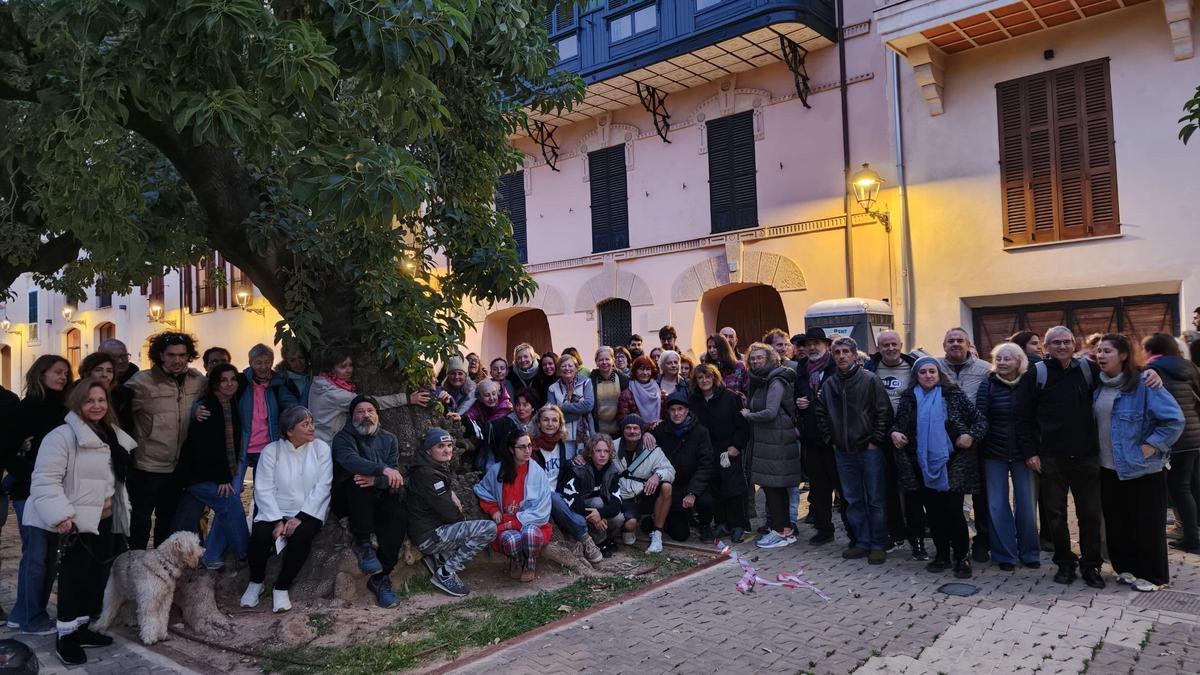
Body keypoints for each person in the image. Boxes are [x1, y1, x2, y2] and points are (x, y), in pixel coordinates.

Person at [26, 378, 132, 664]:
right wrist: (61, 516)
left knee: (96, 578)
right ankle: (66, 635)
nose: (96, 406)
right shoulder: (61, 436)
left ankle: (82, 628)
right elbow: (46, 481)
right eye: (90, 400)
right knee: (74, 579)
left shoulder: (108, 434)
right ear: (77, 403)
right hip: (76, 522)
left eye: (101, 400)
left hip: (106, 518)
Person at [1016, 326, 1110, 588]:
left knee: (1090, 514)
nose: (1061, 346)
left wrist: (1150, 374)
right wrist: (1030, 453)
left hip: (1086, 455)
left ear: (1073, 344)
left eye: (1066, 342)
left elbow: (1119, 380)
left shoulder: (1088, 369)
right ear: (1046, 347)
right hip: (1050, 457)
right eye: (1055, 342)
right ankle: (1065, 563)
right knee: (1055, 515)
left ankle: (1091, 566)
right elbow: (1022, 417)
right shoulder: (1037, 373)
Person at [1094, 334, 1183, 591]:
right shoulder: (1099, 385)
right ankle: (1126, 568)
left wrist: (1149, 446)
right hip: (1108, 467)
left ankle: (1153, 577)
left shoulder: (1145, 383)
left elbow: (1173, 420)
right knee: (1118, 523)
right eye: (1098, 350)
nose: (1100, 355)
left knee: (1146, 525)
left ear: (1123, 355)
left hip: (1142, 468)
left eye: (1107, 351)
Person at [892, 357, 987, 578]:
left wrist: (970, 435)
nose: (928, 376)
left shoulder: (952, 394)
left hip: (951, 464)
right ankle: (942, 555)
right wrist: (894, 432)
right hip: (920, 465)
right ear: (916, 376)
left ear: (939, 374)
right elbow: (898, 424)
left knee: (954, 513)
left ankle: (962, 556)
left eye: (932, 372)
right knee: (934, 515)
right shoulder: (909, 398)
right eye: (923, 372)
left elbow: (980, 421)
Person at [241, 406, 332, 613]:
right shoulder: (271, 451)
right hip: (274, 508)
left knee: (302, 537)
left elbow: (323, 486)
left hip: (309, 510)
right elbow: (263, 488)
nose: (311, 428)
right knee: (260, 536)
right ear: (290, 431)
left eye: (312, 423)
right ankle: (256, 581)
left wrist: (300, 517)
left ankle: (282, 586)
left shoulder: (320, 449)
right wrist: (276, 520)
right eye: (305, 424)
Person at [8, 356, 72, 635]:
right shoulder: (27, 408)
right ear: (41, 373)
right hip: (31, 492)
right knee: (35, 555)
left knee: (49, 556)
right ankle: (28, 615)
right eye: (57, 372)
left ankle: (29, 611)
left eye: (66, 373)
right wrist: (34, 474)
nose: (63, 377)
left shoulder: (63, 408)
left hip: (56, 491)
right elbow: (10, 454)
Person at [816, 337, 894, 564]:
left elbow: (883, 412)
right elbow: (820, 414)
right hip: (843, 451)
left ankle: (878, 544)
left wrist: (875, 440)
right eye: (837, 352)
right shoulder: (829, 384)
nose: (841, 356)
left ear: (854, 355)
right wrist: (831, 439)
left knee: (875, 499)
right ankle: (862, 542)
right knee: (852, 499)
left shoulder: (870, 380)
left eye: (845, 352)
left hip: (869, 450)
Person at [125, 332, 206, 551]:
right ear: (160, 355)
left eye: (182, 355)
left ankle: (160, 568)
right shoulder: (141, 382)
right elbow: (120, 418)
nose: (177, 360)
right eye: (171, 355)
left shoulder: (197, 380)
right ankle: (135, 564)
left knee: (168, 521)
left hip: (179, 467)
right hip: (147, 465)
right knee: (139, 522)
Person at [172, 364, 249, 570]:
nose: (230, 383)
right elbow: (207, 447)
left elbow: (251, 375)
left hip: (208, 474)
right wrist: (223, 477)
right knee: (230, 504)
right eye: (224, 380)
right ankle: (244, 555)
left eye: (233, 379)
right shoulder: (207, 407)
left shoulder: (230, 402)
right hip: (199, 474)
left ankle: (208, 557)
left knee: (186, 519)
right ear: (214, 383)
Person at [331, 395, 406, 608]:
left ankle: (381, 577)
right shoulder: (342, 438)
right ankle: (363, 544)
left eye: (370, 411)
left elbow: (394, 476)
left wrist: (378, 479)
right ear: (352, 416)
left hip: (378, 493)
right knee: (358, 480)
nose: (366, 416)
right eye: (360, 412)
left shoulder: (389, 439)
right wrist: (381, 470)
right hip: (348, 499)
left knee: (398, 512)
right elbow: (351, 461)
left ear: (377, 415)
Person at [407, 428, 495, 597]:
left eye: (448, 445)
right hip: (430, 537)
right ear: (428, 450)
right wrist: (461, 518)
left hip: (430, 532)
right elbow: (449, 512)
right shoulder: (427, 474)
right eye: (440, 446)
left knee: (467, 525)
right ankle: (446, 573)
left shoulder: (430, 468)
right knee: (488, 528)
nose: (447, 450)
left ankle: (439, 558)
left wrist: (450, 496)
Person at [975, 344, 1039, 570]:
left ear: (1019, 361)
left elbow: (1035, 419)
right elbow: (981, 417)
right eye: (999, 358)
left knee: (1027, 505)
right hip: (994, 452)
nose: (1002, 362)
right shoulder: (988, 384)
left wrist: (1034, 451)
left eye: (1008, 358)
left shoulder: (1029, 384)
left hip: (1024, 454)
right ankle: (1005, 555)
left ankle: (1030, 553)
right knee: (997, 504)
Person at [938, 327, 992, 563]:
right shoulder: (936, 367)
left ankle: (982, 540)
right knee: (952, 495)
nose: (955, 344)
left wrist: (975, 433)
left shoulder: (984, 370)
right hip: (947, 441)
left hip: (978, 439)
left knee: (982, 494)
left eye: (960, 340)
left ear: (969, 344)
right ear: (944, 345)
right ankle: (955, 540)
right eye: (951, 340)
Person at [1143, 332, 1200, 553]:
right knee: (1193, 485)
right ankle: (1193, 533)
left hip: (1176, 436)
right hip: (1195, 434)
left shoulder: (1152, 369)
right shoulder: (1189, 366)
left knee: (1180, 488)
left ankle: (1192, 540)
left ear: (1149, 350)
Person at [743, 342, 802, 549]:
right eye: (752, 358)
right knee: (771, 487)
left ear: (770, 358)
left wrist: (748, 415)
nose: (756, 361)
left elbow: (770, 412)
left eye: (760, 357)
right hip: (768, 440)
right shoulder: (760, 380)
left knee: (775, 487)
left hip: (777, 439)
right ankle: (782, 528)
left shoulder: (775, 379)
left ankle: (782, 531)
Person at [474, 430, 553, 582]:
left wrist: (511, 524)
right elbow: (482, 489)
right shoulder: (497, 470)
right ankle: (516, 560)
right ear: (511, 449)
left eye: (529, 446)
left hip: (531, 523)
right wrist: (493, 509)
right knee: (512, 541)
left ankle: (530, 562)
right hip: (506, 522)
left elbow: (542, 512)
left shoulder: (538, 473)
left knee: (530, 535)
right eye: (522, 447)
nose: (527, 450)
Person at [864, 330, 917, 551]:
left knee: (913, 488)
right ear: (878, 348)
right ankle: (895, 532)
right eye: (885, 345)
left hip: (910, 436)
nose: (890, 348)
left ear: (901, 344)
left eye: (894, 344)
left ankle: (917, 534)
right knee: (887, 488)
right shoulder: (869, 369)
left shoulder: (913, 366)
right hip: (882, 435)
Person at [309, 347, 429, 443]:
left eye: (350, 365)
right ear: (331, 370)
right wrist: (407, 398)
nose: (349, 370)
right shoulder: (334, 394)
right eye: (343, 367)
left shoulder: (319, 383)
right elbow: (372, 402)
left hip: (320, 439)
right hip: (327, 443)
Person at [689, 363, 749, 542]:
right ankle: (721, 523)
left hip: (728, 450)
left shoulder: (730, 398)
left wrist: (736, 446)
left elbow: (742, 426)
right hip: (707, 451)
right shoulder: (693, 401)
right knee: (715, 489)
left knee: (733, 488)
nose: (704, 380)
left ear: (714, 378)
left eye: (708, 377)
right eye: (700, 377)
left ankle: (738, 525)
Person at [533, 405, 600, 562]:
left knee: (580, 518)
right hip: (540, 496)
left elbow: (565, 472)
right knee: (554, 499)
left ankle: (584, 538)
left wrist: (574, 461)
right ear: (539, 424)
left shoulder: (563, 445)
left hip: (561, 493)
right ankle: (586, 540)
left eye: (554, 420)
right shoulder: (532, 446)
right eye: (546, 420)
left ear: (560, 423)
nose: (550, 424)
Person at [794, 327, 843, 544]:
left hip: (834, 439)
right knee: (819, 489)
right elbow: (797, 394)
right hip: (811, 438)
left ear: (826, 346)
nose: (812, 347)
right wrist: (799, 402)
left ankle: (855, 534)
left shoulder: (836, 366)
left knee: (843, 489)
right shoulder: (802, 368)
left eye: (817, 343)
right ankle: (824, 530)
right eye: (808, 343)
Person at [657, 391, 714, 541]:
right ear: (668, 412)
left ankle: (705, 525)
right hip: (672, 485)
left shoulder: (701, 432)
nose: (676, 413)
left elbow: (706, 464)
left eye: (680, 409)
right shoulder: (661, 430)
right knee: (680, 535)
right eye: (673, 410)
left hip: (694, 482)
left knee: (706, 501)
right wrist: (648, 434)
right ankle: (667, 520)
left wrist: (693, 492)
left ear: (687, 410)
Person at [613, 415, 675, 553]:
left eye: (636, 428)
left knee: (666, 486)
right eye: (628, 428)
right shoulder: (612, 446)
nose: (632, 431)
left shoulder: (651, 448)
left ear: (641, 431)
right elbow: (594, 454)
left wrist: (657, 476)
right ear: (623, 430)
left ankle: (657, 535)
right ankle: (629, 526)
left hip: (644, 493)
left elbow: (670, 470)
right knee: (629, 526)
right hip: (621, 495)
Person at [566, 434, 624, 556]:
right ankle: (600, 542)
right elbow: (570, 498)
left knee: (619, 518)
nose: (602, 455)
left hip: (599, 513)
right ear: (591, 453)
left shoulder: (612, 471)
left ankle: (607, 538)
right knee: (597, 502)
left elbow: (617, 502)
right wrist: (593, 515)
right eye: (598, 451)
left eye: (606, 451)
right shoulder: (579, 468)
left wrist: (600, 514)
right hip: (579, 512)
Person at [78, 351, 134, 434]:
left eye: (109, 371)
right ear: (87, 373)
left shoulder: (123, 395)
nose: (104, 374)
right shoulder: (76, 394)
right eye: (98, 370)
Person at [546, 354, 594, 443]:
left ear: (576, 368)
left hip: (586, 434)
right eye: (563, 366)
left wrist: (562, 407)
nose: (567, 368)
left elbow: (588, 406)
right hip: (563, 436)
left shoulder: (586, 382)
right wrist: (579, 412)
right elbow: (553, 415)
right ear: (559, 369)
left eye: (570, 365)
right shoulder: (552, 388)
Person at [590, 346, 629, 437]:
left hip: (619, 432)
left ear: (613, 360)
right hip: (598, 433)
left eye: (607, 359)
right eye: (601, 360)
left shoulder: (623, 379)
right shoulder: (590, 381)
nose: (604, 362)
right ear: (596, 362)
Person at [618, 355, 661, 427]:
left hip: (658, 432)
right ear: (635, 371)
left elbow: (666, 418)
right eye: (641, 369)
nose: (644, 372)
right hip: (636, 434)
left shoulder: (661, 393)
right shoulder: (626, 395)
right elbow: (623, 421)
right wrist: (646, 430)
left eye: (648, 369)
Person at [704, 334, 748, 398]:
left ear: (723, 348)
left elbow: (747, 390)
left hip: (735, 405)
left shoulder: (739, 367)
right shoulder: (706, 368)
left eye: (715, 347)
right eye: (709, 347)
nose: (711, 350)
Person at [276, 341, 313, 406]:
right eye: (292, 360)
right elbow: (297, 410)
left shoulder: (314, 373)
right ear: (287, 363)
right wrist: (309, 384)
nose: (298, 363)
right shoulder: (284, 383)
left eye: (300, 357)